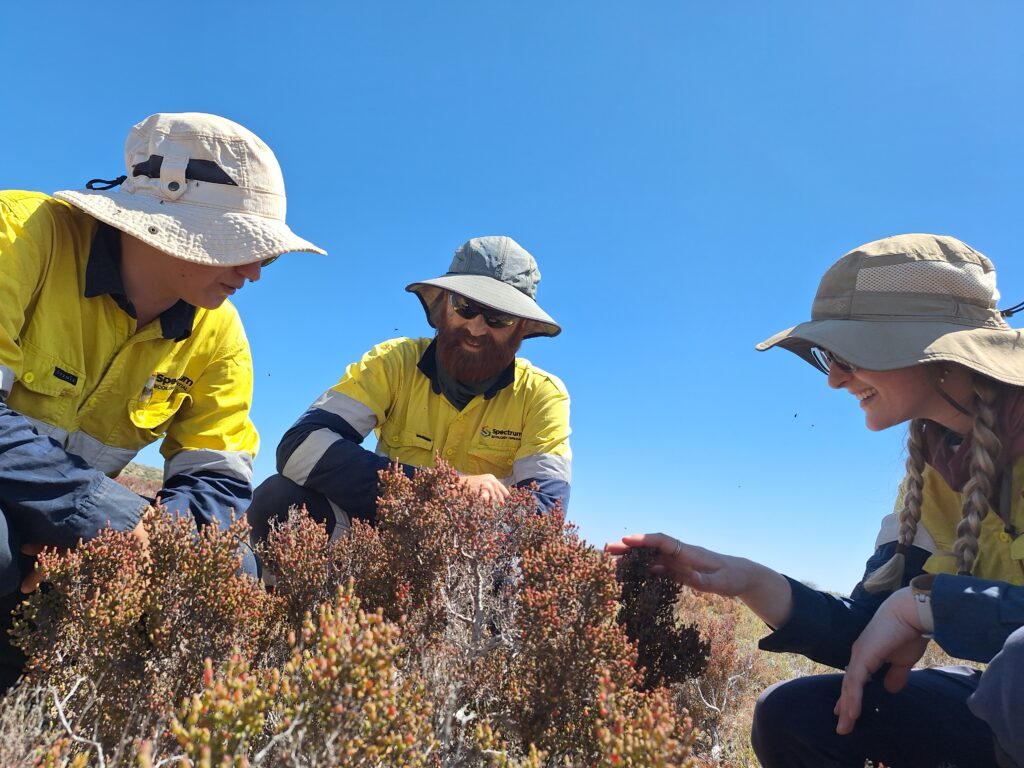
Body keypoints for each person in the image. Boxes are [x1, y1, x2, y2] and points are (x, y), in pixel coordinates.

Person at [608, 234, 1024, 768]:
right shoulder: (930, 473)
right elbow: (870, 630)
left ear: (932, 348)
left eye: (849, 354)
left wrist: (929, 604)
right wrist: (750, 581)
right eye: (829, 355)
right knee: (794, 714)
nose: (833, 379)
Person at [0, 112, 325, 686]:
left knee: (233, 572)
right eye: (239, 244)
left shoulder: (220, 335)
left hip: (73, 525)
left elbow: (219, 481)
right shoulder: (20, 234)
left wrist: (146, 546)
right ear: (161, 212)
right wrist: (107, 521)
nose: (252, 272)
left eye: (265, 254)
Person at [247, 235, 571, 547]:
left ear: (522, 327)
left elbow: (544, 517)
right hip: (377, 543)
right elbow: (300, 447)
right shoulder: (394, 362)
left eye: (498, 317)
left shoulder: (542, 396)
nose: (475, 328)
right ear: (442, 305)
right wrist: (445, 490)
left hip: (475, 562)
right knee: (280, 501)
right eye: (464, 305)